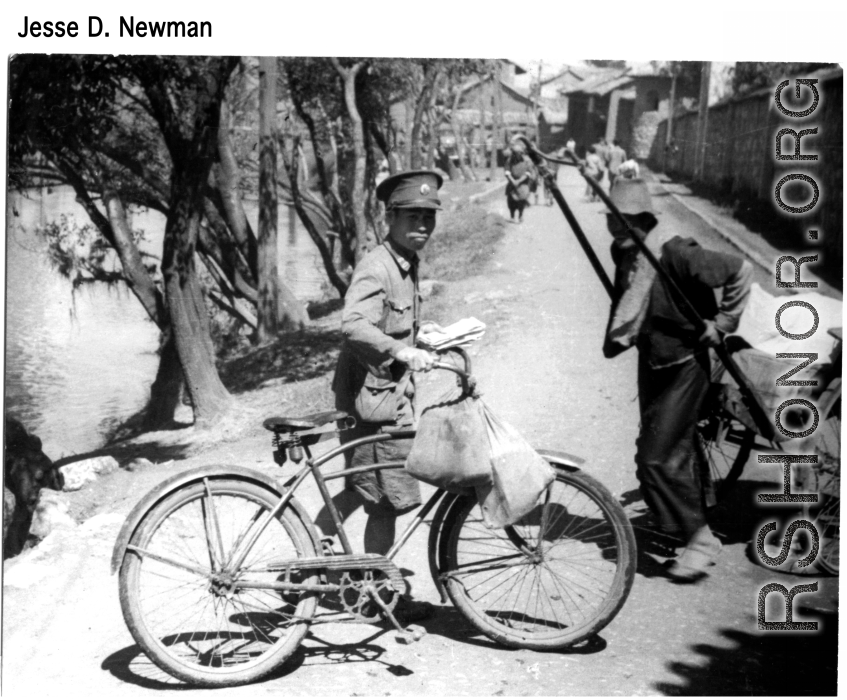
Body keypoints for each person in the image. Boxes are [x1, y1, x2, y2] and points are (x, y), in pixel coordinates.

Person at [602, 178, 753, 582]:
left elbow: (741, 269)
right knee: (655, 449)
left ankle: (701, 539)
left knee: (658, 456)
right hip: (653, 359)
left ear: (645, 220)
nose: (617, 229)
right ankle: (679, 522)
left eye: (626, 221)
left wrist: (721, 323)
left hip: (686, 364)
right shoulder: (625, 252)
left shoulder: (675, 252)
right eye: (612, 221)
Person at [329, 170, 444, 621]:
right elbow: (353, 324)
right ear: (390, 218)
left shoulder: (406, 261)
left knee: (366, 488)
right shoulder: (378, 265)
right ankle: (375, 593)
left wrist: (423, 336)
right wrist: (399, 349)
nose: (422, 225)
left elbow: (394, 321)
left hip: (386, 394)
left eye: (428, 218)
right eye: (412, 216)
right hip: (371, 400)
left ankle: (317, 551)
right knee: (385, 498)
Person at [504, 139, 534, 223]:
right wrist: (512, 180)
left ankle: (520, 215)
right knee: (511, 200)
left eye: (518, 153)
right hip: (512, 182)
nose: (516, 155)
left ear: (521, 153)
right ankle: (512, 216)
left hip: (523, 183)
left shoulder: (527, 160)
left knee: (522, 200)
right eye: (515, 153)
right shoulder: (509, 160)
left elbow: (528, 172)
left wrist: (519, 181)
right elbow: (507, 172)